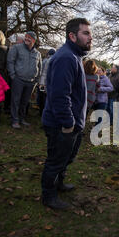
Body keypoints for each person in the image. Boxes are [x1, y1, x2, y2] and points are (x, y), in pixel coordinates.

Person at [41, 18, 92, 210]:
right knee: (55, 161)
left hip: (72, 124)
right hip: (61, 124)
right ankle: (49, 196)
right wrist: (68, 123)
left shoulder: (75, 56)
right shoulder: (65, 58)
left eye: (89, 33)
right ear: (72, 36)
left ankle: (59, 184)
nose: (90, 37)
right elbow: (59, 95)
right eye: (85, 33)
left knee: (66, 158)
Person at [7, 31, 42, 128]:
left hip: (30, 82)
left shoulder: (37, 53)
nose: (27, 39)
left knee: (25, 102)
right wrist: (13, 75)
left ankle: (22, 119)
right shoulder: (17, 48)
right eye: (26, 37)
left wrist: (36, 80)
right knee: (15, 100)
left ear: (34, 40)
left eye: (29, 37)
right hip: (18, 79)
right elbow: (10, 61)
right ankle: (15, 120)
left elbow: (40, 68)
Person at [37, 48, 55, 116]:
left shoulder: (45, 60)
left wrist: (40, 82)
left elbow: (42, 73)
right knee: (45, 99)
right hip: (46, 84)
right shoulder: (53, 60)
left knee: (41, 98)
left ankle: (41, 112)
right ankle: (43, 113)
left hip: (42, 82)